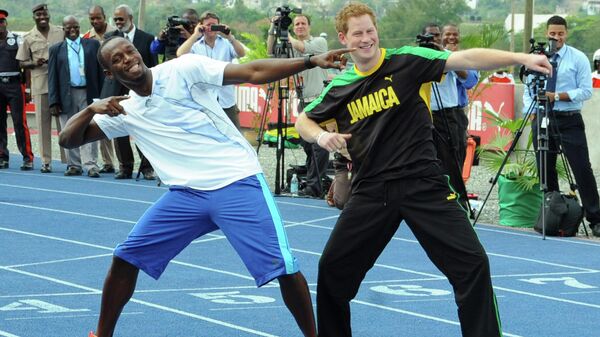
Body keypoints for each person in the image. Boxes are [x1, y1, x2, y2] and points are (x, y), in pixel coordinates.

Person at [58, 36, 349, 337]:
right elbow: (68, 140)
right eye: (116, 59)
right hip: (186, 196)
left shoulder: (183, 69)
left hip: (235, 181)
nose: (127, 59)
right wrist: (92, 108)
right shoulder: (125, 110)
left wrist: (310, 60)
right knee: (125, 258)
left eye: (129, 51)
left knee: (282, 267)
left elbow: (252, 72)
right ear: (109, 73)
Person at [294, 3, 551, 336]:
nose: (366, 38)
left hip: (424, 185)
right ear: (344, 38)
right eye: (357, 33)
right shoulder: (340, 86)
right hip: (372, 190)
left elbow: (466, 59)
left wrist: (521, 59)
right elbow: (304, 119)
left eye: (370, 30)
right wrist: (322, 135)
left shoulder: (407, 61)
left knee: (472, 265)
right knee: (331, 271)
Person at [523, 15, 600, 237]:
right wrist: (533, 115)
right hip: (543, 118)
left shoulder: (577, 58)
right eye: (552, 33)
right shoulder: (535, 57)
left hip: (569, 119)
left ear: (566, 33)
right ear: (546, 32)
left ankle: (595, 217)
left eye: (560, 33)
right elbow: (529, 88)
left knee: (581, 168)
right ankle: (554, 215)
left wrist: (556, 96)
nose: (556, 37)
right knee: (545, 169)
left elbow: (585, 91)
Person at [267, 14, 330, 198]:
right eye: (296, 24)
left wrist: (287, 36)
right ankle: (314, 181)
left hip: (320, 100)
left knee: (320, 146)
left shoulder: (319, 42)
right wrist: (274, 29)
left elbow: (304, 47)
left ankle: (314, 187)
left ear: (309, 26)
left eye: (303, 23)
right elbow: (271, 52)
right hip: (303, 102)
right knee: (308, 145)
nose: (300, 26)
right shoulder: (291, 45)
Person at [101, 4, 157, 180]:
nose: (118, 22)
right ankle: (125, 167)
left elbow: (153, 65)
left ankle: (147, 167)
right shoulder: (110, 38)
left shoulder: (146, 39)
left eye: (121, 19)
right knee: (120, 131)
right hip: (118, 91)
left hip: (141, 92)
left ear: (130, 18)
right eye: (115, 19)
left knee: (144, 128)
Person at [48, 16, 103, 177]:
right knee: (70, 128)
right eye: (68, 27)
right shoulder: (56, 49)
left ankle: (91, 164)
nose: (73, 30)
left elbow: (100, 73)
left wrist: (101, 96)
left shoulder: (92, 45)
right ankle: (74, 164)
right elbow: (52, 77)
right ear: (63, 29)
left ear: (80, 27)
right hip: (67, 95)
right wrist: (53, 101)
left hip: (88, 93)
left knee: (91, 127)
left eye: (76, 27)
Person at [16, 3, 64, 173]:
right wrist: (34, 63)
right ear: (34, 17)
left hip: (60, 84)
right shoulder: (29, 37)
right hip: (40, 84)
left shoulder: (60, 32)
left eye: (44, 14)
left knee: (64, 123)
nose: (42, 17)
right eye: (38, 15)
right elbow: (21, 62)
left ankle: (71, 160)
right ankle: (46, 161)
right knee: (43, 126)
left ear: (49, 14)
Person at [177, 11, 245, 130]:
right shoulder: (196, 46)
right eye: (208, 25)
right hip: (204, 100)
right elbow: (180, 54)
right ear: (201, 26)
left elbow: (241, 53)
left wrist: (230, 37)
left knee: (235, 136)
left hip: (226, 99)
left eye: (214, 25)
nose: (211, 28)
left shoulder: (226, 44)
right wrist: (194, 35)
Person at [83, 5, 116, 174]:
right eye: (92, 18)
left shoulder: (117, 33)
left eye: (98, 18)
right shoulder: (87, 37)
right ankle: (108, 162)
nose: (95, 21)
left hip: (117, 83)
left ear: (105, 17)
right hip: (99, 86)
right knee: (103, 123)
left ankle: (126, 163)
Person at [0, 9, 34, 170]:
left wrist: (27, 89)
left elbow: (26, 66)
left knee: (19, 122)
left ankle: (27, 157)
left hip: (15, 84)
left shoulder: (17, 40)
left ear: (6, 23)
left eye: (1, 22)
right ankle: (2, 157)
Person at [443, 23, 479, 167]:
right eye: (447, 34)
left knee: (458, 151)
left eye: (455, 34)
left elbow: (470, 82)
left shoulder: (466, 58)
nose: (451, 37)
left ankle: (458, 187)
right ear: (441, 37)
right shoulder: (435, 57)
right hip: (435, 112)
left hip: (457, 112)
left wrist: (451, 58)